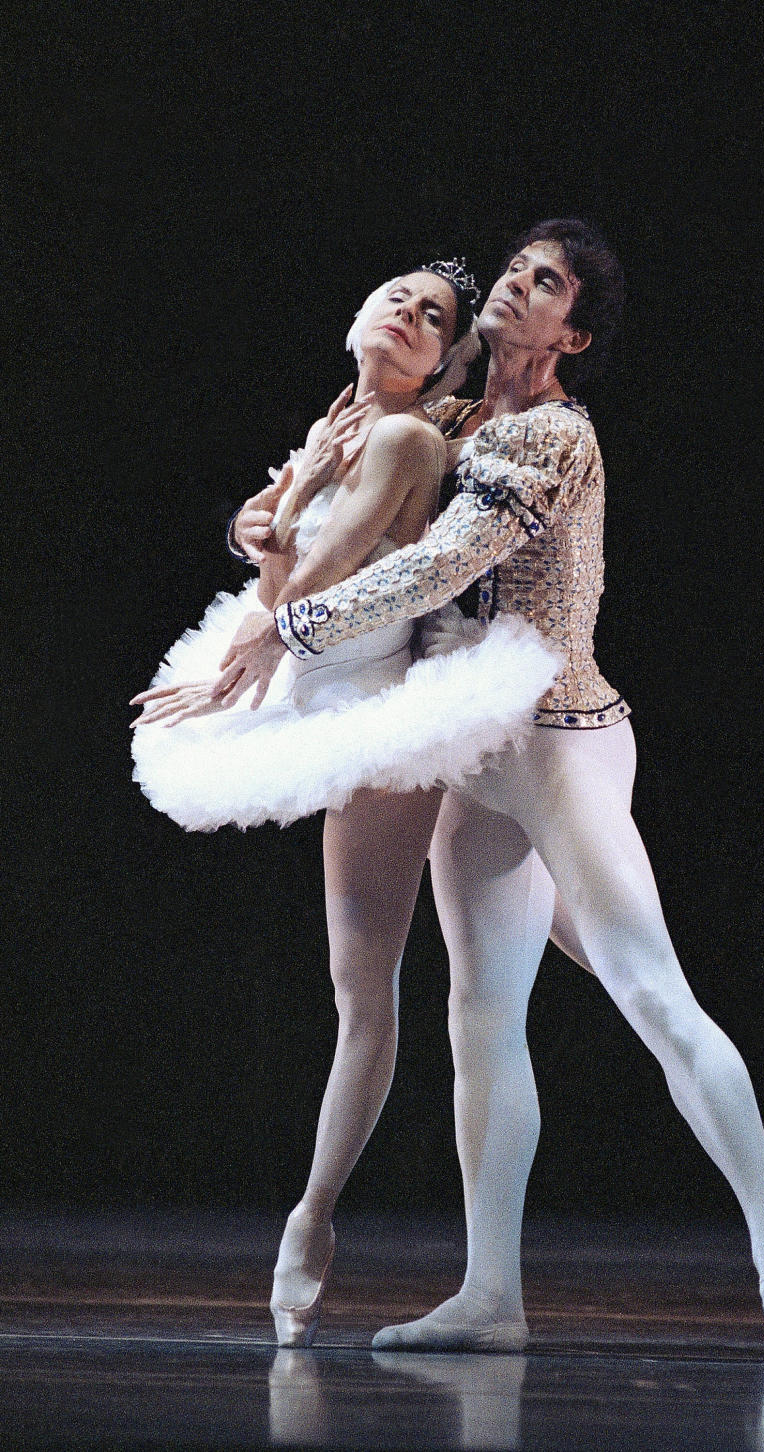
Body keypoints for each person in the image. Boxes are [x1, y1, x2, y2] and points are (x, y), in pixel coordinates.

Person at [209, 219, 764, 1366]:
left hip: (557, 739)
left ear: (573, 333)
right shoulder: (444, 425)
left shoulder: (553, 436)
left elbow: (438, 565)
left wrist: (290, 627)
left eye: (544, 284)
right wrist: (261, 526)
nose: (514, 286)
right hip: (470, 753)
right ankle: (492, 1292)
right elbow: (342, 522)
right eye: (514, 268)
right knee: (481, 1019)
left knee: (649, 989)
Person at [130, 259, 560, 1347]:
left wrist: (270, 561)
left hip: (374, 714)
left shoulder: (408, 438)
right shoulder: (349, 422)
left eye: (436, 318)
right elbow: (261, 537)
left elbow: (308, 587)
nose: (411, 317)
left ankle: (311, 1219)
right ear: (358, 313)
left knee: (367, 991)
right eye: (397, 298)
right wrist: (277, 502)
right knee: (366, 982)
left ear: (446, 356)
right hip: (309, 689)